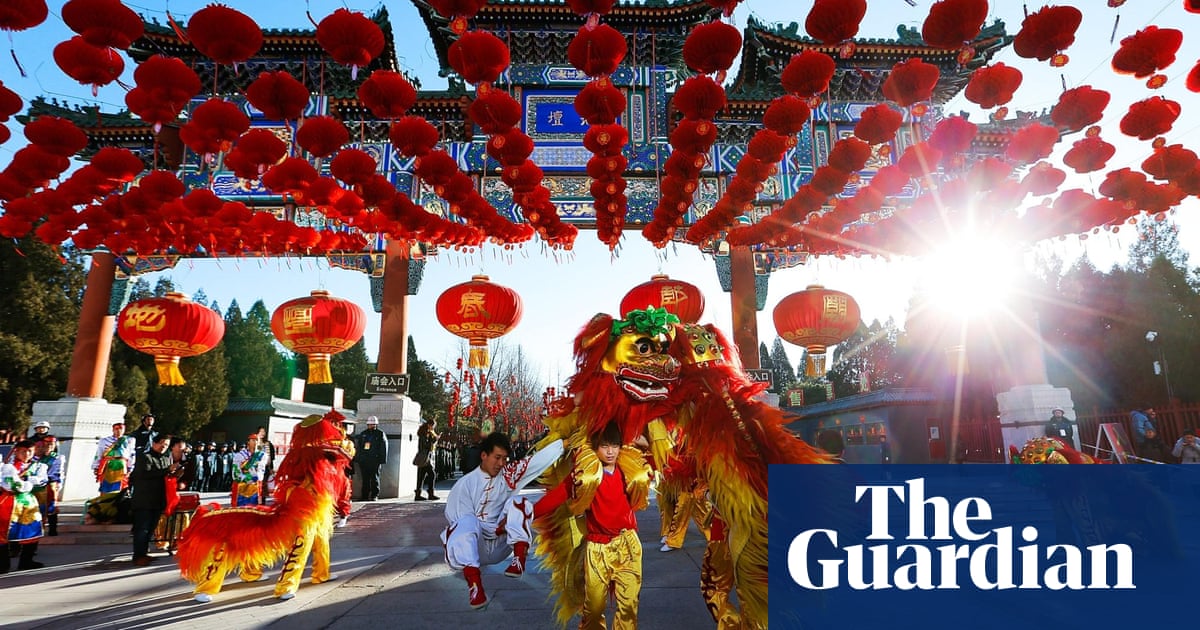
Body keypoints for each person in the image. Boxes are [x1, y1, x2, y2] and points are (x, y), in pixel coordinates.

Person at [534, 423, 647, 629]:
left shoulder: (629, 470)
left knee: (629, 608)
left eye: (615, 445)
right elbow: (557, 496)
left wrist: (638, 438)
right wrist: (526, 514)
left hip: (628, 545)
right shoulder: (585, 475)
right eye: (605, 446)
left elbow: (659, 455)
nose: (611, 451)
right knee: (593, 610)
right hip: (597, 549)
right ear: (595, 447)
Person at [441, 431, 564, 610]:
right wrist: (496, 528)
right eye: (497, 457)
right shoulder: (464, 485)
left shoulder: (509, 476)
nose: (501, 464)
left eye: (505, 459)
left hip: (503, 544)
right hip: (477, 547)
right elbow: (459, 523)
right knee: (466, 522)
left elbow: (535, 462)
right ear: (484, 455)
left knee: (519, 502)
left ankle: (519, 559)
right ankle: (475, 587)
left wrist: (564, 444)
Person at [129, 434, 183, 566]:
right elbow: (144, 474)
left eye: (166, 446)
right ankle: (138, 556)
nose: (163, 448)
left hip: (158, 499)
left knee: (151, 528)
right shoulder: (145, 457)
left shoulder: (166, 459)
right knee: (142, 529)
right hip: (144, 499)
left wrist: (176, 474)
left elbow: (165, 475)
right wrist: (166, 470)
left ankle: (144, 553)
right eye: (161, 444)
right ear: (154, 443)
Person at [1, 440, 48, 572]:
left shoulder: (39, 466)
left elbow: (42, 481)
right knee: (3, 533)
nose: (26, 454)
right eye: (23, 451)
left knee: (32, 531)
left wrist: (25, 482)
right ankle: (3, 564)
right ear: (16, 451)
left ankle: (26, 561)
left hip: (28, 502)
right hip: (8, 501)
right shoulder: (6, 466)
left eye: (30, 451)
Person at [32, 435, 64, 537]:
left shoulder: (57, 457)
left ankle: (52, 529)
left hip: (51, 484)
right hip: (36, 485)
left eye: (51, 445)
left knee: (51, 507)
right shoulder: (35, 457)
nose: (48, 447)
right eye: (46, 445)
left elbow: (57, 472)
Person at [92, 422, 135, 494]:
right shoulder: (104, 441)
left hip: (122, 466)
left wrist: (131, 467)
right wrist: (96, 466)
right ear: (113, 430)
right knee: (106, 485)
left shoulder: (129, 440)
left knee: (121, 486)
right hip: (108, 465)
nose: (119, 431)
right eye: (116, 429)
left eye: (121, 429)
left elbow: (132, 454)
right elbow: (99, 453)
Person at [355, 416, 388, 501]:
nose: (371, 425)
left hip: (375, 460)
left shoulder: (380, 434)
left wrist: (382, 459)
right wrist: (359, 458)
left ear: (376, 424)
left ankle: (374, 495)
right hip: (364, 460)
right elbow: (359, 447)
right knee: (365, 479)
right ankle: (364, 495)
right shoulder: (363, 433)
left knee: (374, 478)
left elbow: (384, 447)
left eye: (372, 424)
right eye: (369, 424)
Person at [231, 433, 267, 506]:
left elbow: (261, 469)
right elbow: (235, 471)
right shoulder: (239, 455)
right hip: (241, 487)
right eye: (253, 440)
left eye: (257, 440)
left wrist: (258, 477)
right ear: (248, 442)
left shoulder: (262, 455)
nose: (255, 442)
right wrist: (246, 478)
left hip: (255, 487)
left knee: (254, 510)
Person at [413, 419, 438, 501]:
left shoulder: (425, 433)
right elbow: (426, 445)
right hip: (425, 457)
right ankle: (430, 493)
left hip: (424, 457)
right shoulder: (424, 434)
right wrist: (434, 439)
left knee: (421, 476)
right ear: (429, 425)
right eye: (432, 425)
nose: (433, 427)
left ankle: (418, 494)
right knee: (432, 474)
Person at [256, 426, 276, 504]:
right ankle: (257, 500)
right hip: (256, 467)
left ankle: (262, 501)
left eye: (263, 432)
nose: (262, 433)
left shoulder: (268, 444)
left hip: (265, 467)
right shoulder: (255, 442)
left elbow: (272, 457)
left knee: (263, 484)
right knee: (256, 484)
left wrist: (271, 468)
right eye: (260, 431)